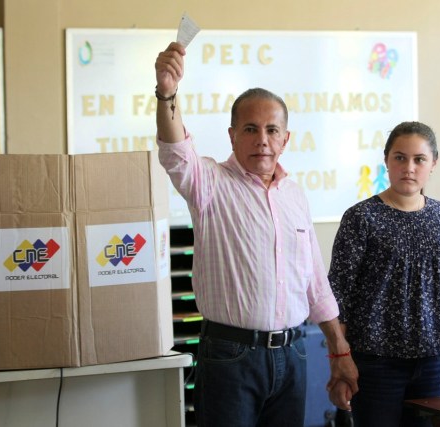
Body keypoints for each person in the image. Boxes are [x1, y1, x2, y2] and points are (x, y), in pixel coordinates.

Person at [154, 42, 358, 427]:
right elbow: (175, 150)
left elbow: (314, 280)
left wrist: (339, 349)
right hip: (231, 356)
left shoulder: (294, 194)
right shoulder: (209, 182)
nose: (261, 139)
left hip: (294, 353)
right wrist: (167, 93)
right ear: (232, 135)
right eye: (250, 129)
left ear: (285, 138)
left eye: (271, 130)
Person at [328, 121, 440, 427]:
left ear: (433, 163)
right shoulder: (361, 218)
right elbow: (338, 296)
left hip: (430, 362)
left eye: (419, 159)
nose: (409, 167)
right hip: (374, 363)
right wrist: (339, 363)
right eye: (400, 157)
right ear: (386, 160)